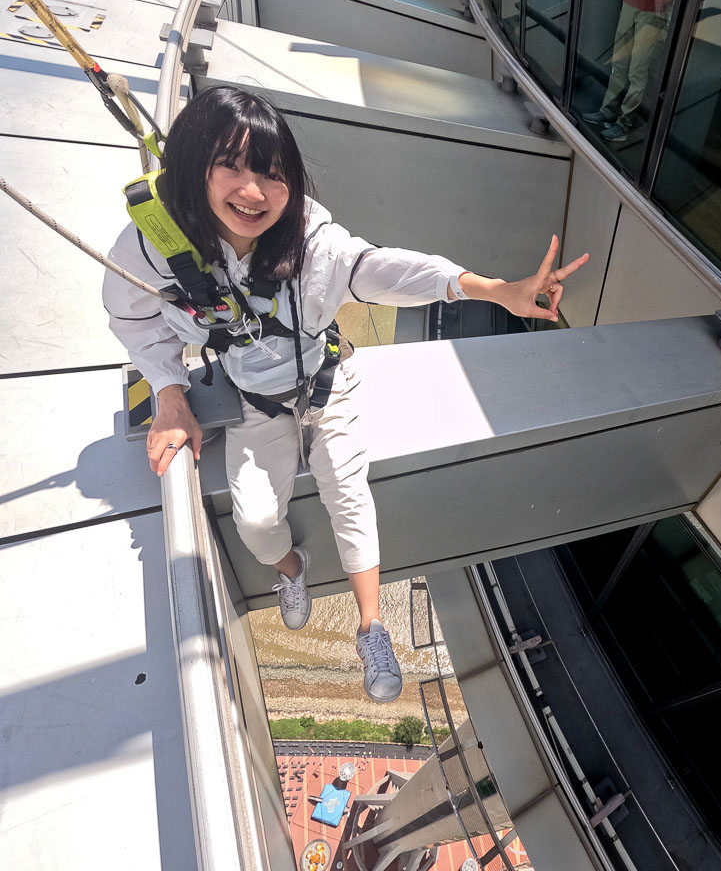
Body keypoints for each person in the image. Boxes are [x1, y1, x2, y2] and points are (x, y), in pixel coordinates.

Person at [104, 86, 588, 703]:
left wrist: (492, 289)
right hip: (255, 399)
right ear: (194, 164)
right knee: (255, 519)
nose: (254, 194)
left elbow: (378, 267)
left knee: (349, 497)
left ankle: (371, 627)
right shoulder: (150, 249)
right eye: (231, 166)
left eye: (273, 175)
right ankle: (290, 570)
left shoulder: (308, 237)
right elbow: (132, 321)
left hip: (328, 385)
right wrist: (170, 394)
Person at [582, 0, 677, 142]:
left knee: (637, 71)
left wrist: (664, 7)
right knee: (619, 64)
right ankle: (608, 112)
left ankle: (624, 124)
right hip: (631, 1)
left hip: (653, 11)